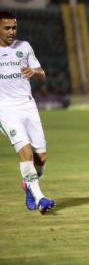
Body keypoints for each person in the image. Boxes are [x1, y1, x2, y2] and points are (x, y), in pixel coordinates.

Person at [0, 11, 55, 214]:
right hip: (5, 109)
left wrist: (35, 72)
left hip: (28, 106)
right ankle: (41, 198)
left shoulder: (24, 47)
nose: (12, 31)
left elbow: (42, 74)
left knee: (41, 157)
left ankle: (29, 186)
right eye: (7, 28)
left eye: (14, 27)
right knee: (25, 152)